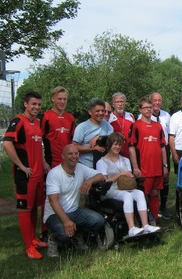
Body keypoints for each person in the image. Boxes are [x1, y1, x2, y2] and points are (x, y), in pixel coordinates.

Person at [3, 91, 51, 259]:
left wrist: (44, 162)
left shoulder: (37, 122)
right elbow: (7, 143)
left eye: (39, 104)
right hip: (26, 175)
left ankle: (33, 239)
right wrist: (21, 165)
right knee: (25, 209)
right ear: (26, 104)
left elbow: (38, 146)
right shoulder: (18, 121)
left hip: (38, 173)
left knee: (34, 207)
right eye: (33, 104)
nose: (36, 107)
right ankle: (28, 247)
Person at [44, 144, 106, 258]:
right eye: (70, 154)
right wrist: (66, 221)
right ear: (63, 156)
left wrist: (90, 181)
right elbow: (53, 200)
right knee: (63, 233)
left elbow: (101, 176)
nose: (74, 156)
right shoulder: (54, 173)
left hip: (74, 211)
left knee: (98, 220)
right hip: (55, 214)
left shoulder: (80, 168)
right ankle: (53, 238)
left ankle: (76, 234)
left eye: (76, 153)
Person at [96, 132, 160, 237]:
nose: (117, 147)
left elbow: (129, 177)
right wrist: (120, 174)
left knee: (139, 193)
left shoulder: (125, 160)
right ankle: (131, 228)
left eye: (120, 145)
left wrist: (132, 176)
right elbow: (105, 181)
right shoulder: (101, 162)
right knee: (127, 196)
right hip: (110, 190)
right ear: (109, 145)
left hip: (125, 188)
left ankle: (145, 225)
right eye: (115, 144)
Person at [130, 98, 168, 224]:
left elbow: (162, 146)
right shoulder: (136, 125)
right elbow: (131, 147)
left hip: (157, 168)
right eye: (145, 108)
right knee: (142, 195)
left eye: (150, 107)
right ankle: (143, 221)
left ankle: (155, 220)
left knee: (155, 193)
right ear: (140, 109)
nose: (148, 110)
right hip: (144, 168)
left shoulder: (158, 126)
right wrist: (135, 167)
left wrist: (165, 165)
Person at [149, 92, 172, 220]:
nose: (157, 103)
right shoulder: (143, 116)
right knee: (151, 179)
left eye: (159, 100)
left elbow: (169, 134)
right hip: (151, 149)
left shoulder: (166, 115)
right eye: (154, 100)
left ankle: (163, 207)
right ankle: (151, 208)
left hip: (164, 148)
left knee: (165, 177)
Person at [72, 98, 113, 168]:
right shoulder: (82, 127)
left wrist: (99, 138)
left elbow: (113, 142)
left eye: (102, 111)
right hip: (86, 166)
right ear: (90, 112)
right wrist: (93, 148)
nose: (101, 113)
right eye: (97, 111)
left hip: (104, 166)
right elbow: (74, 147)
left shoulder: (108, 126)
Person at [42, 86, 76, 168]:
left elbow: (73, 141)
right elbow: (38, 141)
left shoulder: (70, 118)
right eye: (59, 99)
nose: (62, 101)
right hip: (51, 162)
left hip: (67, 162)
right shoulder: (46, 116)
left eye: (65, 99)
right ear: (53, 99)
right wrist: (43, 162)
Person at [108, 92, 135, 158]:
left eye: (122, 102)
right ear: (113, 104)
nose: (120, 104)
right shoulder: (109, 117)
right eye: (117, 102)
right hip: (115, 152)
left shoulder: (130, 116)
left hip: (129, 152)